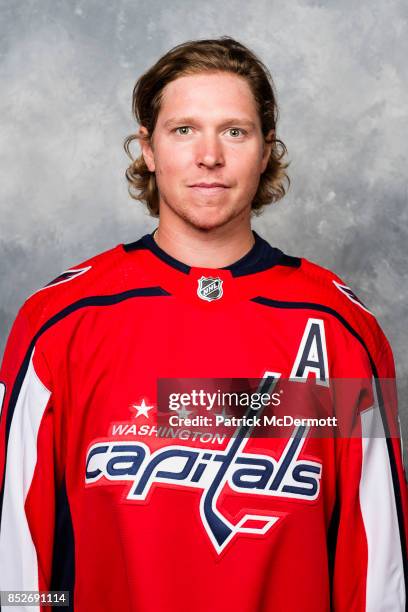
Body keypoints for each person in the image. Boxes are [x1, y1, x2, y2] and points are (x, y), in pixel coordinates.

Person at [0, 36, 407, 612]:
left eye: (235, 131)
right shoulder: (62, 322)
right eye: (184, 129)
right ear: (148, 148)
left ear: (266, 151)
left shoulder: (340, 328)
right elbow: (16, 552)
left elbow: (375, 563)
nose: (209, 156)